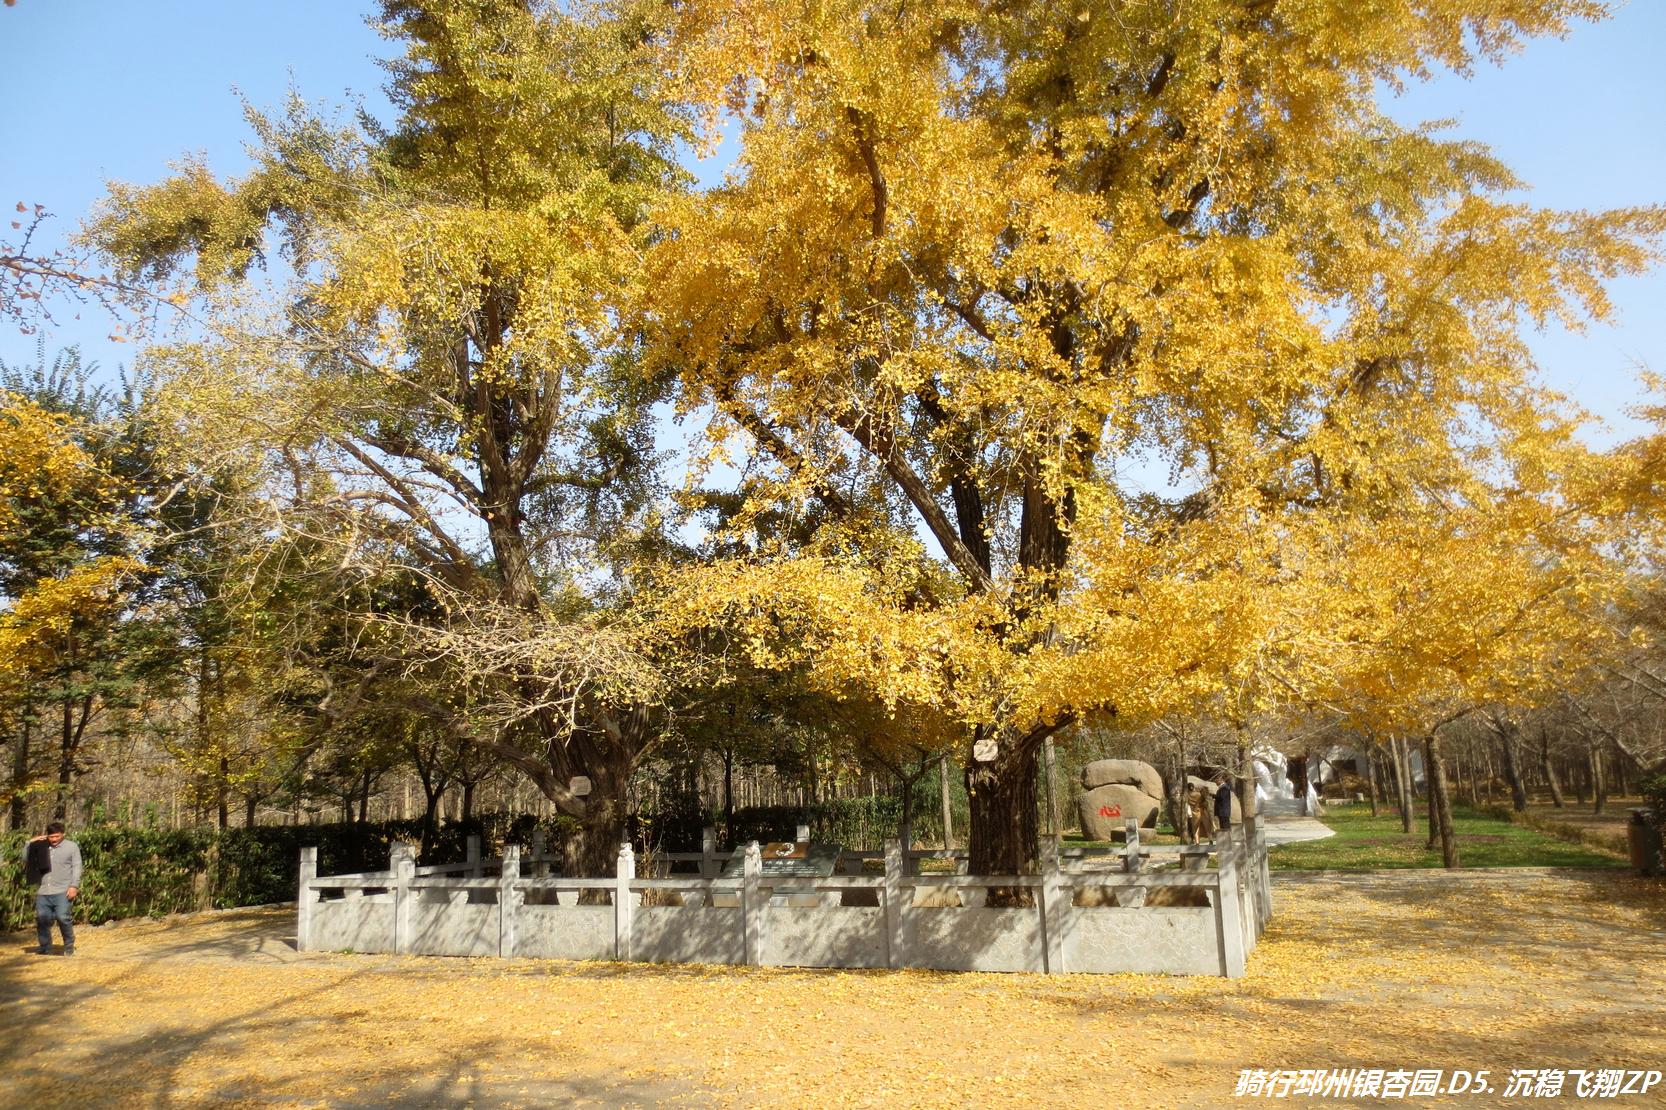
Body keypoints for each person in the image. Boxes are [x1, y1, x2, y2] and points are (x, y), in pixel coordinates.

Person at [25, 821, 82, 956]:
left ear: (63, 834)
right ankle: (45, 947)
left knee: (63, 917)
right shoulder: (41, 846)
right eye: (51, 837)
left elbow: (77, 867)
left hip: (62, 890)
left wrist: (74, 886)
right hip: (43, 890)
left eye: (57, 836)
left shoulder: (72, 847)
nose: (54, 839)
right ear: (47, 836)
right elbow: (25, 858)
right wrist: (30, 843)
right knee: (42, 919)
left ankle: (68, 944)